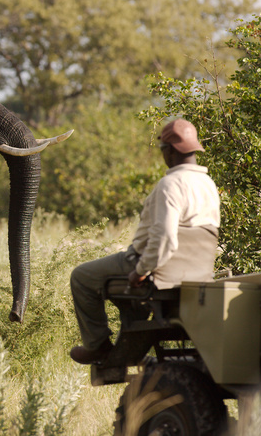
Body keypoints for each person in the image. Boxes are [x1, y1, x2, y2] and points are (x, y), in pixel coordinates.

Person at [69, 118, 221, 364]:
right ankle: (129, 345)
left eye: (163, 150)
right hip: (196, 275)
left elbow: (165, 239)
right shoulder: (208, 185)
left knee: (81, 276)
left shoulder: (171, 185)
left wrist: (141, 271)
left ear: (170, 151)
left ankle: (97, 346)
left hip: (157, 269)